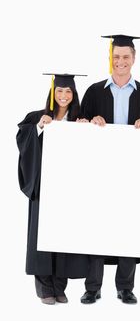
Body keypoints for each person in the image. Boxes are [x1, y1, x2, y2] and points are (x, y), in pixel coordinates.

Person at [80, 34, 140, 304]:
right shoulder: (93, 92)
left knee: (129, 227)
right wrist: (91, 120)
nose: (121, 62)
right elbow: (80, 127)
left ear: (134, 58)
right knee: (95, 227)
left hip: (134, 175)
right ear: (110, 58)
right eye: (116, 56)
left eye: (126, 56)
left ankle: (125, 287)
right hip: (97, 173)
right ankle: (92, 287)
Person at [16, 73, 89, 305]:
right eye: (59, 91)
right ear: (52, 92)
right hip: (44, 185)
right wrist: (38, 127)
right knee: (41, 236)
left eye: (68, 91)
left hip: (68, 190)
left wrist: (86, 131)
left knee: (64, 236)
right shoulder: (38, 117)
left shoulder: (80, 119)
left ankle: (60, 286)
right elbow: (22, 138)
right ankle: (45, 287)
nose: (64, 95)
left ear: (73, 94)